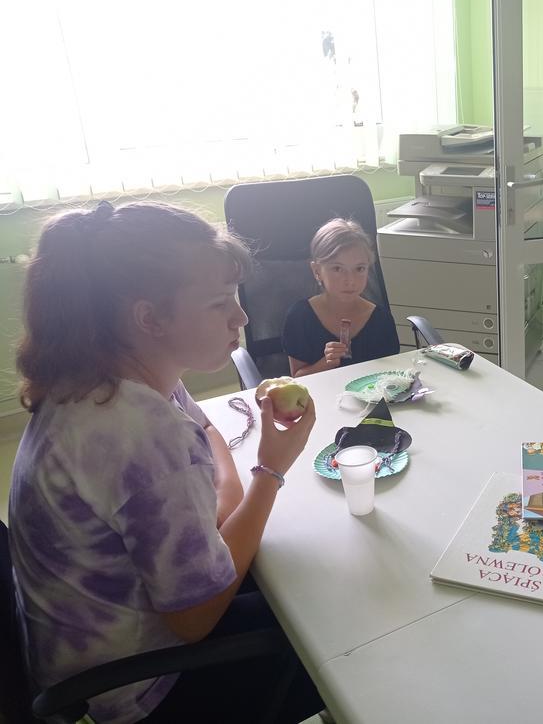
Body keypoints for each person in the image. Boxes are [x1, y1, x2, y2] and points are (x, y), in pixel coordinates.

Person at [8, 201, 323, 724]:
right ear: (149, 318)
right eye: (219, 303)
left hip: (98, 645)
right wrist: (269, 471)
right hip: (137, 690)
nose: (241, 318)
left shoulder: (112, 375)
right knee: (330, 620)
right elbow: (196, 619)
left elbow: (207, 432)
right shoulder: (137, 433)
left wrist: (229, 502)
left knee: (297, 568)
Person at [282, 218, 399, 377]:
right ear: (317, 271)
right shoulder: (300, 317)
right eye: (337, 268)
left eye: (359, 268)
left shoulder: (381, 320)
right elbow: (297, 378)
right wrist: (325, 363)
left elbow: (390, 377)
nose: (350, 280)